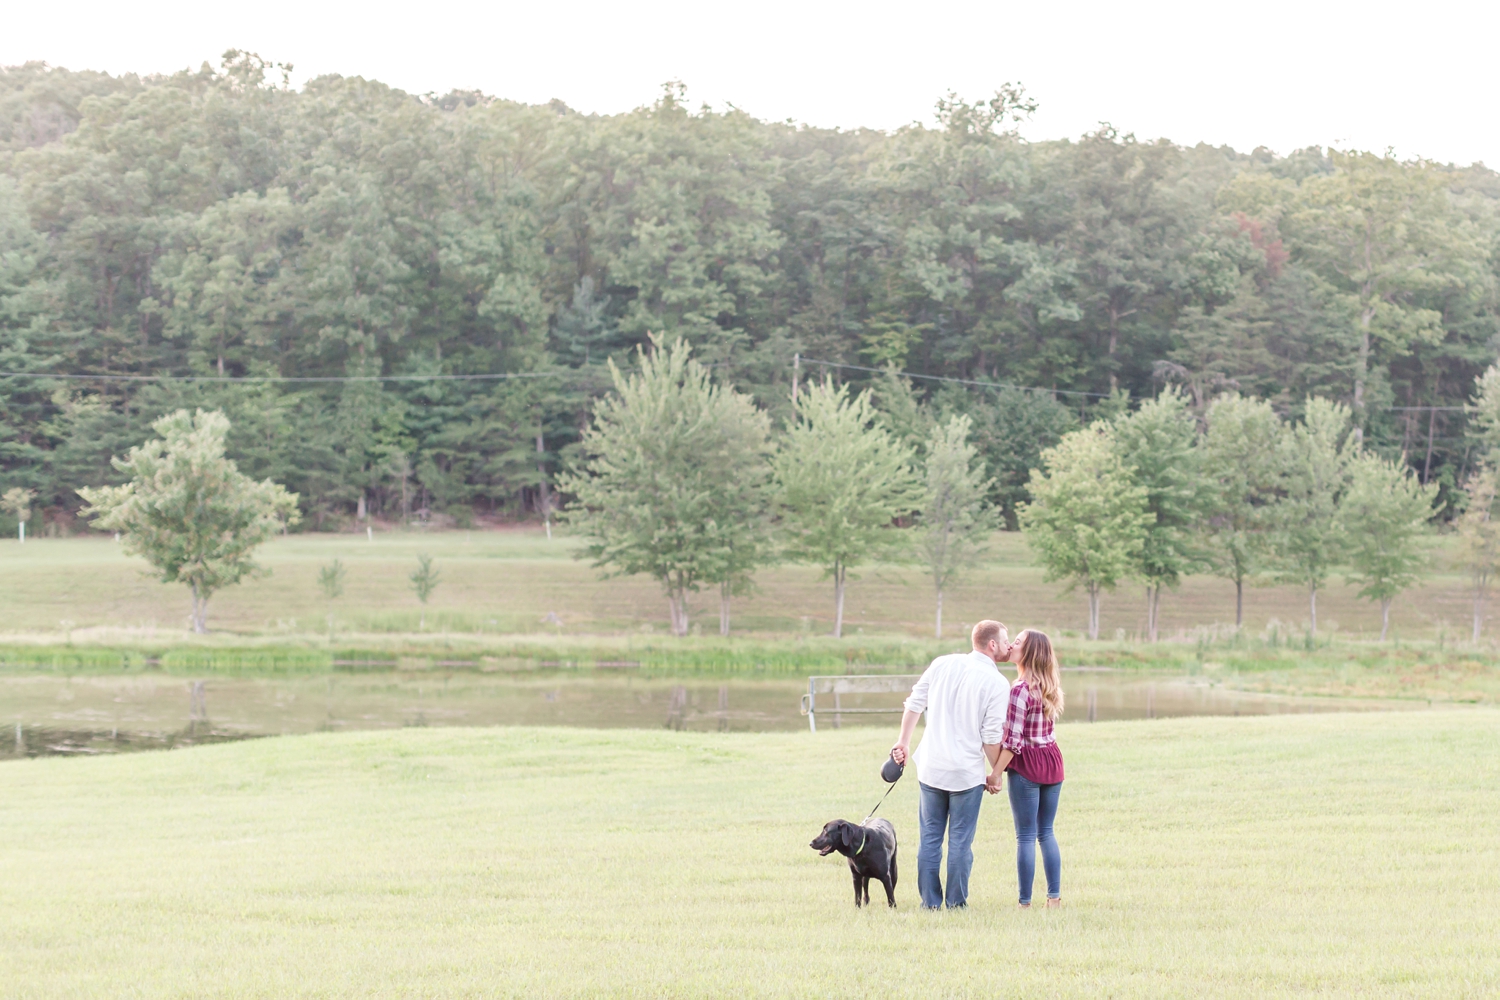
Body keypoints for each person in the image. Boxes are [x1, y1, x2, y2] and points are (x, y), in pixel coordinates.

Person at [890, 620, 1011, 909]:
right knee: (960, 842)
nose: (1009, 646)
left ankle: (929, 904)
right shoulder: (997, 683)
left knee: (930, 839)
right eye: (1006, 641)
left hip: (931, 767)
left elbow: (914, 702)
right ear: (992, 644)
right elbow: (991, 736)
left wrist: (903, 742)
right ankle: (956, 904)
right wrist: (996, 774)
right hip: (965, 774)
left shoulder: (942, 663)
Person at [985, 629, 1066, 909]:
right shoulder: (1049, 686)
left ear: (1028, 652)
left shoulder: (1019, 690)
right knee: (1047, 832)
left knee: (1025, 837)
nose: (1011, 646)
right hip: (1052, 761)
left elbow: (1014, 742)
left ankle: (1024, 903)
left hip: (1028, 766)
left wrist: (996, 772)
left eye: (1017, 643)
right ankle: (1054, 899)